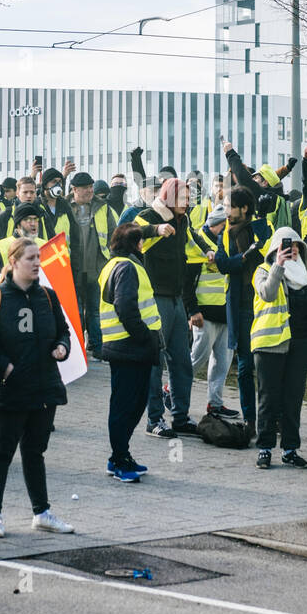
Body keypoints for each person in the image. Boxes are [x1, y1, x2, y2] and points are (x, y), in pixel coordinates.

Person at [0, 237, 74, 538]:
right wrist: (5, 367)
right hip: (7, 390)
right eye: (30, 258)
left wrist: (62, 347)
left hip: (43, 388)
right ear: (13, 262)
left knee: (34, 451)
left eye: (38, 257)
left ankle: (42, 512)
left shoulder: (48, 297)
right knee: (1, 452)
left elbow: (62, 330)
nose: (37, 263)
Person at [98, 223, 162, 482]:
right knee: (127, 405)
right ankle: (119, 459)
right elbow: (125, 307)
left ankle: (120, 456)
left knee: (131, 403)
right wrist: (145, 337)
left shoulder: (115, 265)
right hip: (129, 347)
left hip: (126, 346)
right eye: (141, 242)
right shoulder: (126, 267)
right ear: (136, 245)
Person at [136, 177, 200, 438]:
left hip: (175, 300)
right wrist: (156, 230)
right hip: (156, 300)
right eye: (182, 197)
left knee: (182, 362)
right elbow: (131, 234)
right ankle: (154, 420)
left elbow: (193, 245)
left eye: (188, 198)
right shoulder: (147, 215)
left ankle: (181, 418)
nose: (187, 202)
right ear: (169, 196)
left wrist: (211, 254)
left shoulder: (183, 220)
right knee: (155, 363)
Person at [251, 228, 307, 469]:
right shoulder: (263, 270)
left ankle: (290, 449)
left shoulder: (304, 275)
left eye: (297, 246)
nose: (294, 250)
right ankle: (265, 449)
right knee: (269, 398)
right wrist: (278, 265)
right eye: (288, 246)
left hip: (300, 343)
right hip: (270, 344)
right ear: (275, 248)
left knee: (293, 399)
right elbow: (267, 294)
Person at [215, 185, 271, 434]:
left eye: (229, 206)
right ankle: (250, 420)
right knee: (246, 366)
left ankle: (272, 417)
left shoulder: (259, 227)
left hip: (264, 304)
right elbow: (224, 264)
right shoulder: (225, 234)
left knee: (268, 365)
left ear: (244, 208)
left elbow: (269, 248)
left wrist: (262, 220)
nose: (226, 211)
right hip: (241, 306)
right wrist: (246, 256)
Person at [189, 204, 234, 416]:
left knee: (222, 363)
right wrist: (192, 310)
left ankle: (215, 404)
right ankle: (171, 391)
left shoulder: (227, 242)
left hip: (226, 312)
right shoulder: (198, 244)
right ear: (221, 224)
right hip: (204, 313)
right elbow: (187, 282)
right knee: (197, 358)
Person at [67, 171, 115, 358]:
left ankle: (96, 346)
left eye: (90, 187)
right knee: (76, 311)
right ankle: (77, 346)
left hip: (97, 268)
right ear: (74, 189)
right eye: (85, 188)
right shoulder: (65, 206)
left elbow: (113, 233)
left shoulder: (103, 207)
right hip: (73, 268)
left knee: (95, 310)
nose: (89, 191)